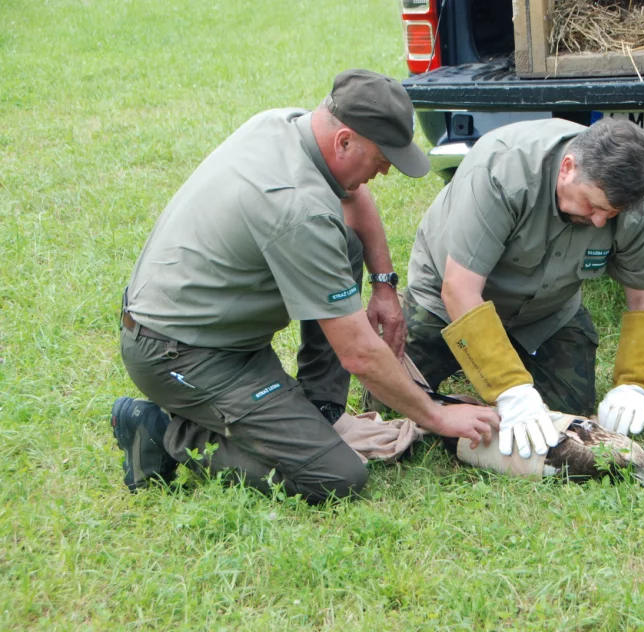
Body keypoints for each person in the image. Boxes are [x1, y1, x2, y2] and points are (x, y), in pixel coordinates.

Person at [111, 69, 498, 504]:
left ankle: (320, 410)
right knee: (335, 476)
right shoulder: (298, 209)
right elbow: (358, 353)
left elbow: (350, 194)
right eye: (382, 157)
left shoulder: (286, 124)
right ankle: (165, 434)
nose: (386, 170)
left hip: (212, 333)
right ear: (345, 141)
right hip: (180, 355)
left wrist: (385, 287)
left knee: (344, 244)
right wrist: (439, 416)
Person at [399, 117, 644, 460]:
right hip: (446, 300)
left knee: (568, 411)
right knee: (397, 399)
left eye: (610, 213)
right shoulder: (503, 171)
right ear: (567, 168)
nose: (598, 221)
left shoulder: (628, 203)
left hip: (547, 310)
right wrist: (510, 389)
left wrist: (637, 384)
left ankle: (508, 360)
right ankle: (495, 372)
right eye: (592, 205)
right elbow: (459, 289)